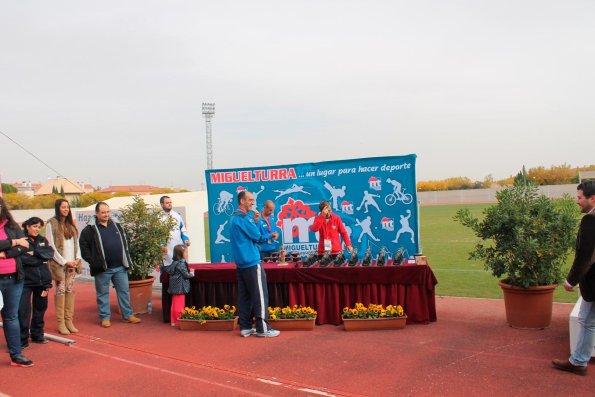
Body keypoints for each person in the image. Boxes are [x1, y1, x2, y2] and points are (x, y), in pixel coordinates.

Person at [553, 181, 595, 376]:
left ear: (592, 198)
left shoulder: (590, 220)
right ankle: (578, 359)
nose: (577, 201)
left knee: (587, 321)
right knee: (587, 320)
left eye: (580, 197)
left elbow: (585, 255)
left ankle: (578, 361)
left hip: (593, 282)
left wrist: (571, 280)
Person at [79, 202, 141, 328]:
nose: (106, 214)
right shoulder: (89, 230)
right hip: (102, 269)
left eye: (108, 212)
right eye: (103, 212)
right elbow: (84, 247)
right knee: (102, 294)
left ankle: (128, 315)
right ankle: (105, 318)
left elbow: (126, 242)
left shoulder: (117, 225)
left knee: (124, 291)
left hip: (120, 267)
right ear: (96, 214)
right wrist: (93, 261)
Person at [229, 190, 280, 338]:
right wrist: (271, 235)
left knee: (245, 296)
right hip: (251, 262)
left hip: (241, 264)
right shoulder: (245, 218)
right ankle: (262, 328)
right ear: (242, 201)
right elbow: (257, 236)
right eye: (250, 200)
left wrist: (255, 221)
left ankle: (245, 327)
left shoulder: (234, 218)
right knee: (260, 296)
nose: (253, 202)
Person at [0, 196, 34, 367]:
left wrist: (5, 253)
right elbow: (18, 243)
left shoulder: (12, 225)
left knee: (11, 317)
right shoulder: (13, 234)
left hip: (14, 279)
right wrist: (13, 242)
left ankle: (16, 355)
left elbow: (25, 245)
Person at [46, 198, 82, 335]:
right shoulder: (51, 223)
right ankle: (61, 322)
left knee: (70, 290)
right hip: (60, 265)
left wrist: (78, 258)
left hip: (72, 264)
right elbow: (51, 247)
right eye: (63, 207)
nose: (66, 209)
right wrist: (64, 261)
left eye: (67, 207)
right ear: (58, 208)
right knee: (60, 291)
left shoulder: (71, 225)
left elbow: (76, 244)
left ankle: (69, 321)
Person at [19, 217, 53, 349]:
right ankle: (22, 339)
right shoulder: (21, 240)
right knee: (23, 310)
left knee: (40, 308)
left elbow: (50, 253)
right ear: (27, 226)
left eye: (39, 227)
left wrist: (36, 253)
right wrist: (40, 258)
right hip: (25, 282)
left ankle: (37, 335)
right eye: (34, 226)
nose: (37, 229)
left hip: (42, 282)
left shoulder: (43, 240)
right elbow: (23, 258)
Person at [164, 244, 194, 327]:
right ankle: (179, 321)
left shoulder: (174, 263)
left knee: (174, 304)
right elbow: (186, 275)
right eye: (186, 252)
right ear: (181, 254)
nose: (187, 253)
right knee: (179, 305)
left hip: (174, 287)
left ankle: (173, 321)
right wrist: (192, 272)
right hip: (180, 287)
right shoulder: (181, 264)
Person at [160, 196, 191, 268]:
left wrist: (186, 240)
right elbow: (156, 233)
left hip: (178, 249)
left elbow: (183, 230)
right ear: (162, 204)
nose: (170, 204)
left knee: (181, 272)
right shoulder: (158, 217)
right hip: (165, 249)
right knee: (165, 274)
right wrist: (161, 245)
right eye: (167, 203)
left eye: (170, 202)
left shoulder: (177, 215)